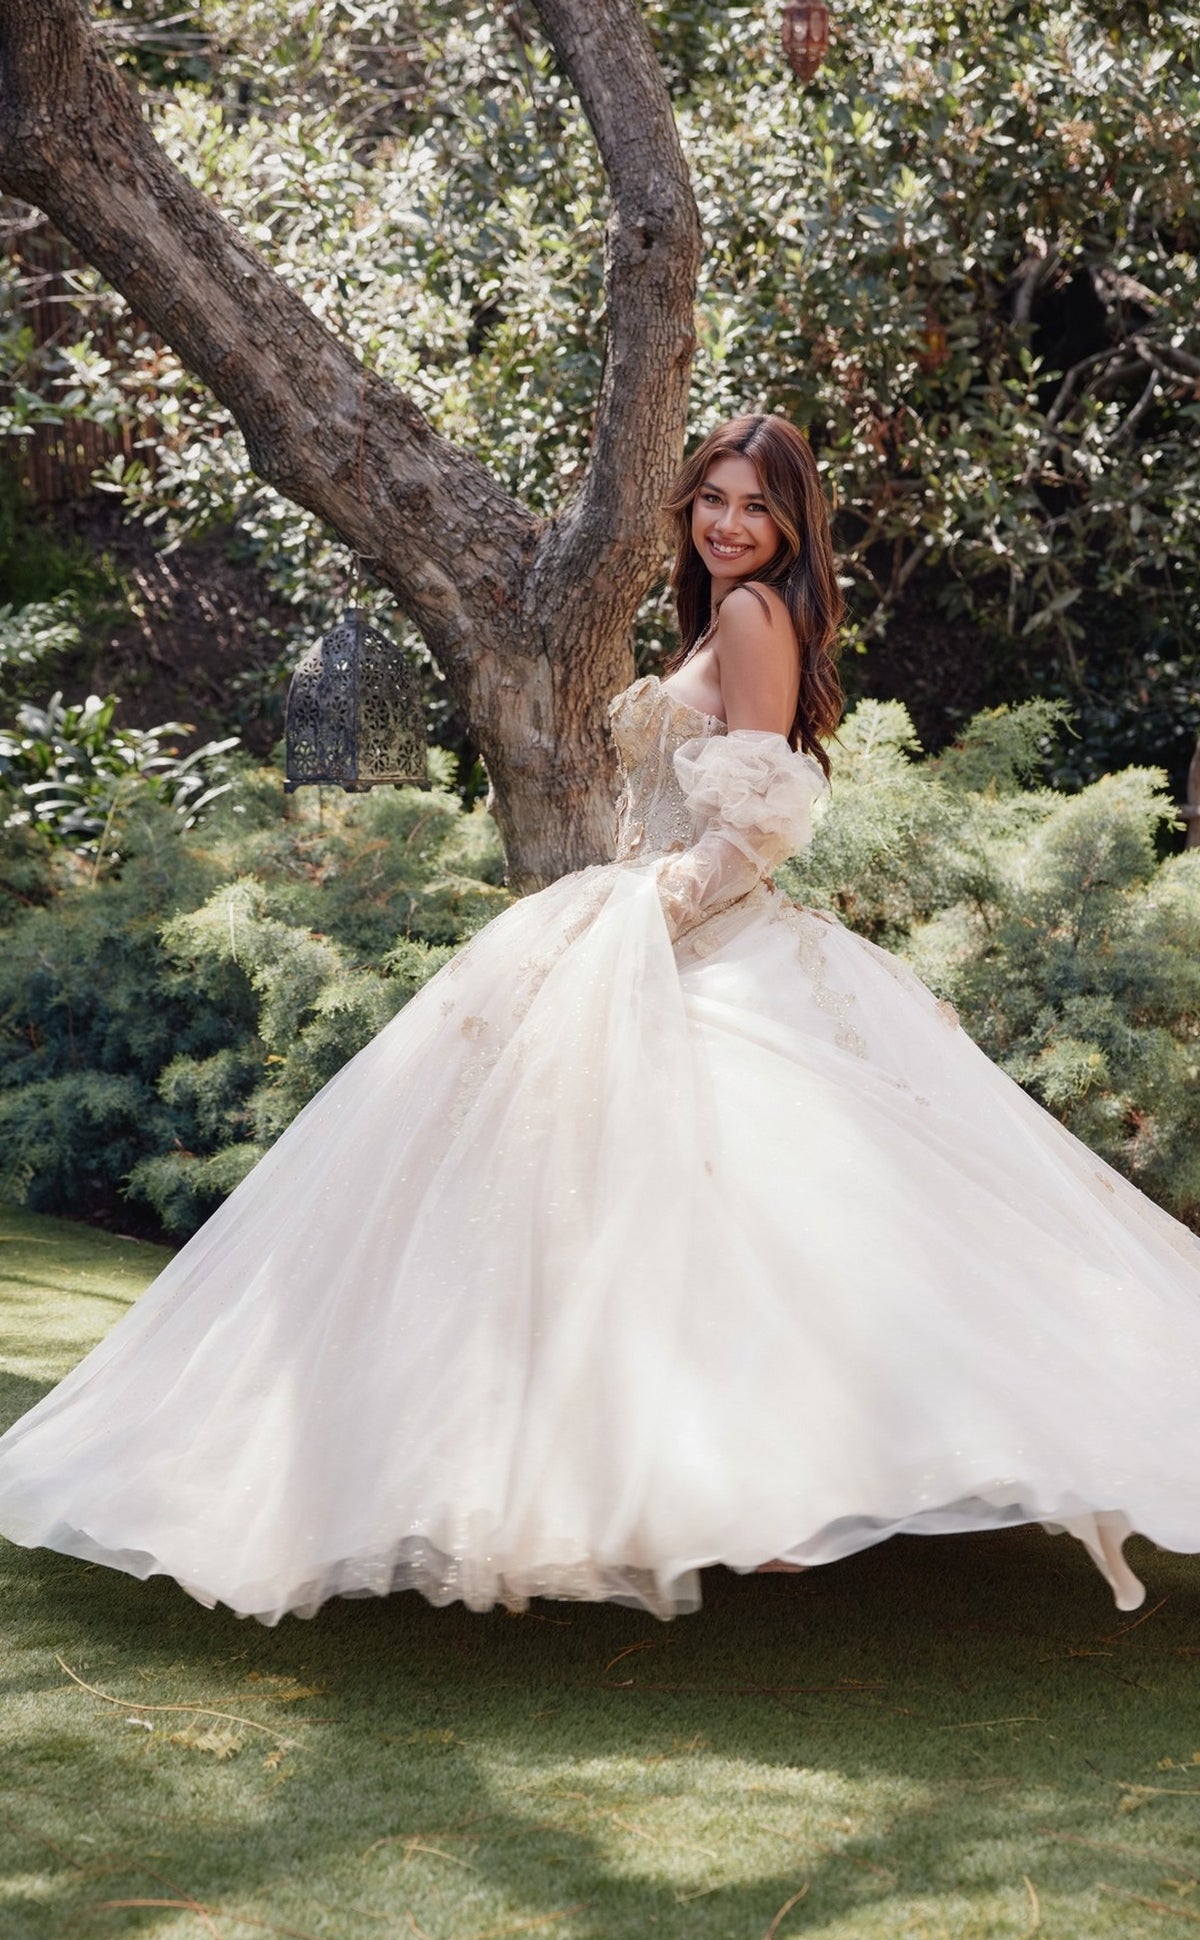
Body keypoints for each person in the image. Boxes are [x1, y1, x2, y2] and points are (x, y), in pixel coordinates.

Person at [1, 412, 1198, 1627]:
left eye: (757, 507)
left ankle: (769, 1493)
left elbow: (765, 819)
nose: (730, 523)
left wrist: (646, 918)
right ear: (687, 506)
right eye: (713, 499)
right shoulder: (722, 613)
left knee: (745, 1212)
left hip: (694, 935)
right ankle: (743, 1491)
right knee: (687, 1222)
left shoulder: (751, 614)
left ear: (792, 524)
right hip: (652, 921)